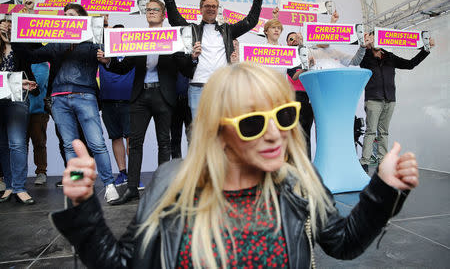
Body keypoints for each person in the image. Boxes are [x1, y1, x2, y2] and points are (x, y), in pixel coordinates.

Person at [52, 62, 419, 268]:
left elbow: (343, 242)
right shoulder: (171, 184)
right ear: (220, 133)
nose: (276, 135)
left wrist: (382, 189)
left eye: (285, 116)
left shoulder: (298, 183)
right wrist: (84, 208)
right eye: (254, 123)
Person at [11, 3, 120, 203]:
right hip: (59, 99)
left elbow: (113, 62)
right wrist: (16, 34)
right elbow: (32, 56)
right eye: (65, 15)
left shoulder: (94, 40)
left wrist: (107, 60)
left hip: (85, 96)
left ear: (82, 18)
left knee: (97, 144)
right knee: (70, 147)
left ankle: (109, 185)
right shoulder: (57, 43)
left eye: (71, 15)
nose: (67, 17)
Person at [96, 0, 198, 205]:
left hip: (164, 96)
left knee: (164, 144)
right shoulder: (138, 39)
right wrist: (108, 62)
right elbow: (124, 67)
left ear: (163, 14)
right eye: (148, 10)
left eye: (155, 10)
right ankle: (132, 189)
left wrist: (193, 57)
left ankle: (162, 191)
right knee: (135, 144)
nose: (151, 12)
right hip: (140, 96)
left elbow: (186, 69)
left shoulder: (174, 38)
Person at [163, 0, 264, 118]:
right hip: (197, 87)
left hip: (222, 86)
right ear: (200, 8)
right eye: (207, 5)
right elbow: (174, 18)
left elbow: (251, 21)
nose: (211, 8)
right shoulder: (192, 30)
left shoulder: (228, 30)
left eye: (214, 6)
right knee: (200, 132)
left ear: (217, 9)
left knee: (223, 132)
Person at [359, 32, 434, 173]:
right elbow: (359, 62)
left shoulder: (390, 57)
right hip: (373, 99)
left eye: (375, 37)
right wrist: (364, 46)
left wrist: (426, 50)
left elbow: (410, 64)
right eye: (371, 38)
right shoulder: (366, 57)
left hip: (389, 99)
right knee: (370, 132)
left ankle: (383, 163)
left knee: (384, 132)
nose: (373, 40)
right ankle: (364, 163)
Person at [0, 18, 39, 205]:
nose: (6, 28)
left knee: (17, 143)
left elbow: (35, 52)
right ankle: (9, 185)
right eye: (3, 26)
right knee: (2, 145)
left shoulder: (20, 48)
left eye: (10, 26)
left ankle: (19, 187)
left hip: (18, 100)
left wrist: (12, 38)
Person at [98, 24, 134, 186]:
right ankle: (122, 172)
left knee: (130, 138)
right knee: (115, 137)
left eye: (121, 33)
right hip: (107, 100)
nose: (118, 35)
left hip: (129, 100)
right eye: (114, 33)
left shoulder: (133, 50)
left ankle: (133, 175)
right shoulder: (101, 51)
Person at [27, 61, 50, 185]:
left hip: (38, 110)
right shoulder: (17, 60)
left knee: (39, 142)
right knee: (19, 146)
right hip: (18, 109)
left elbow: (36, 84)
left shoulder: (42, 64)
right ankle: (17, 175)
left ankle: (41, 171)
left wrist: (16, 83)